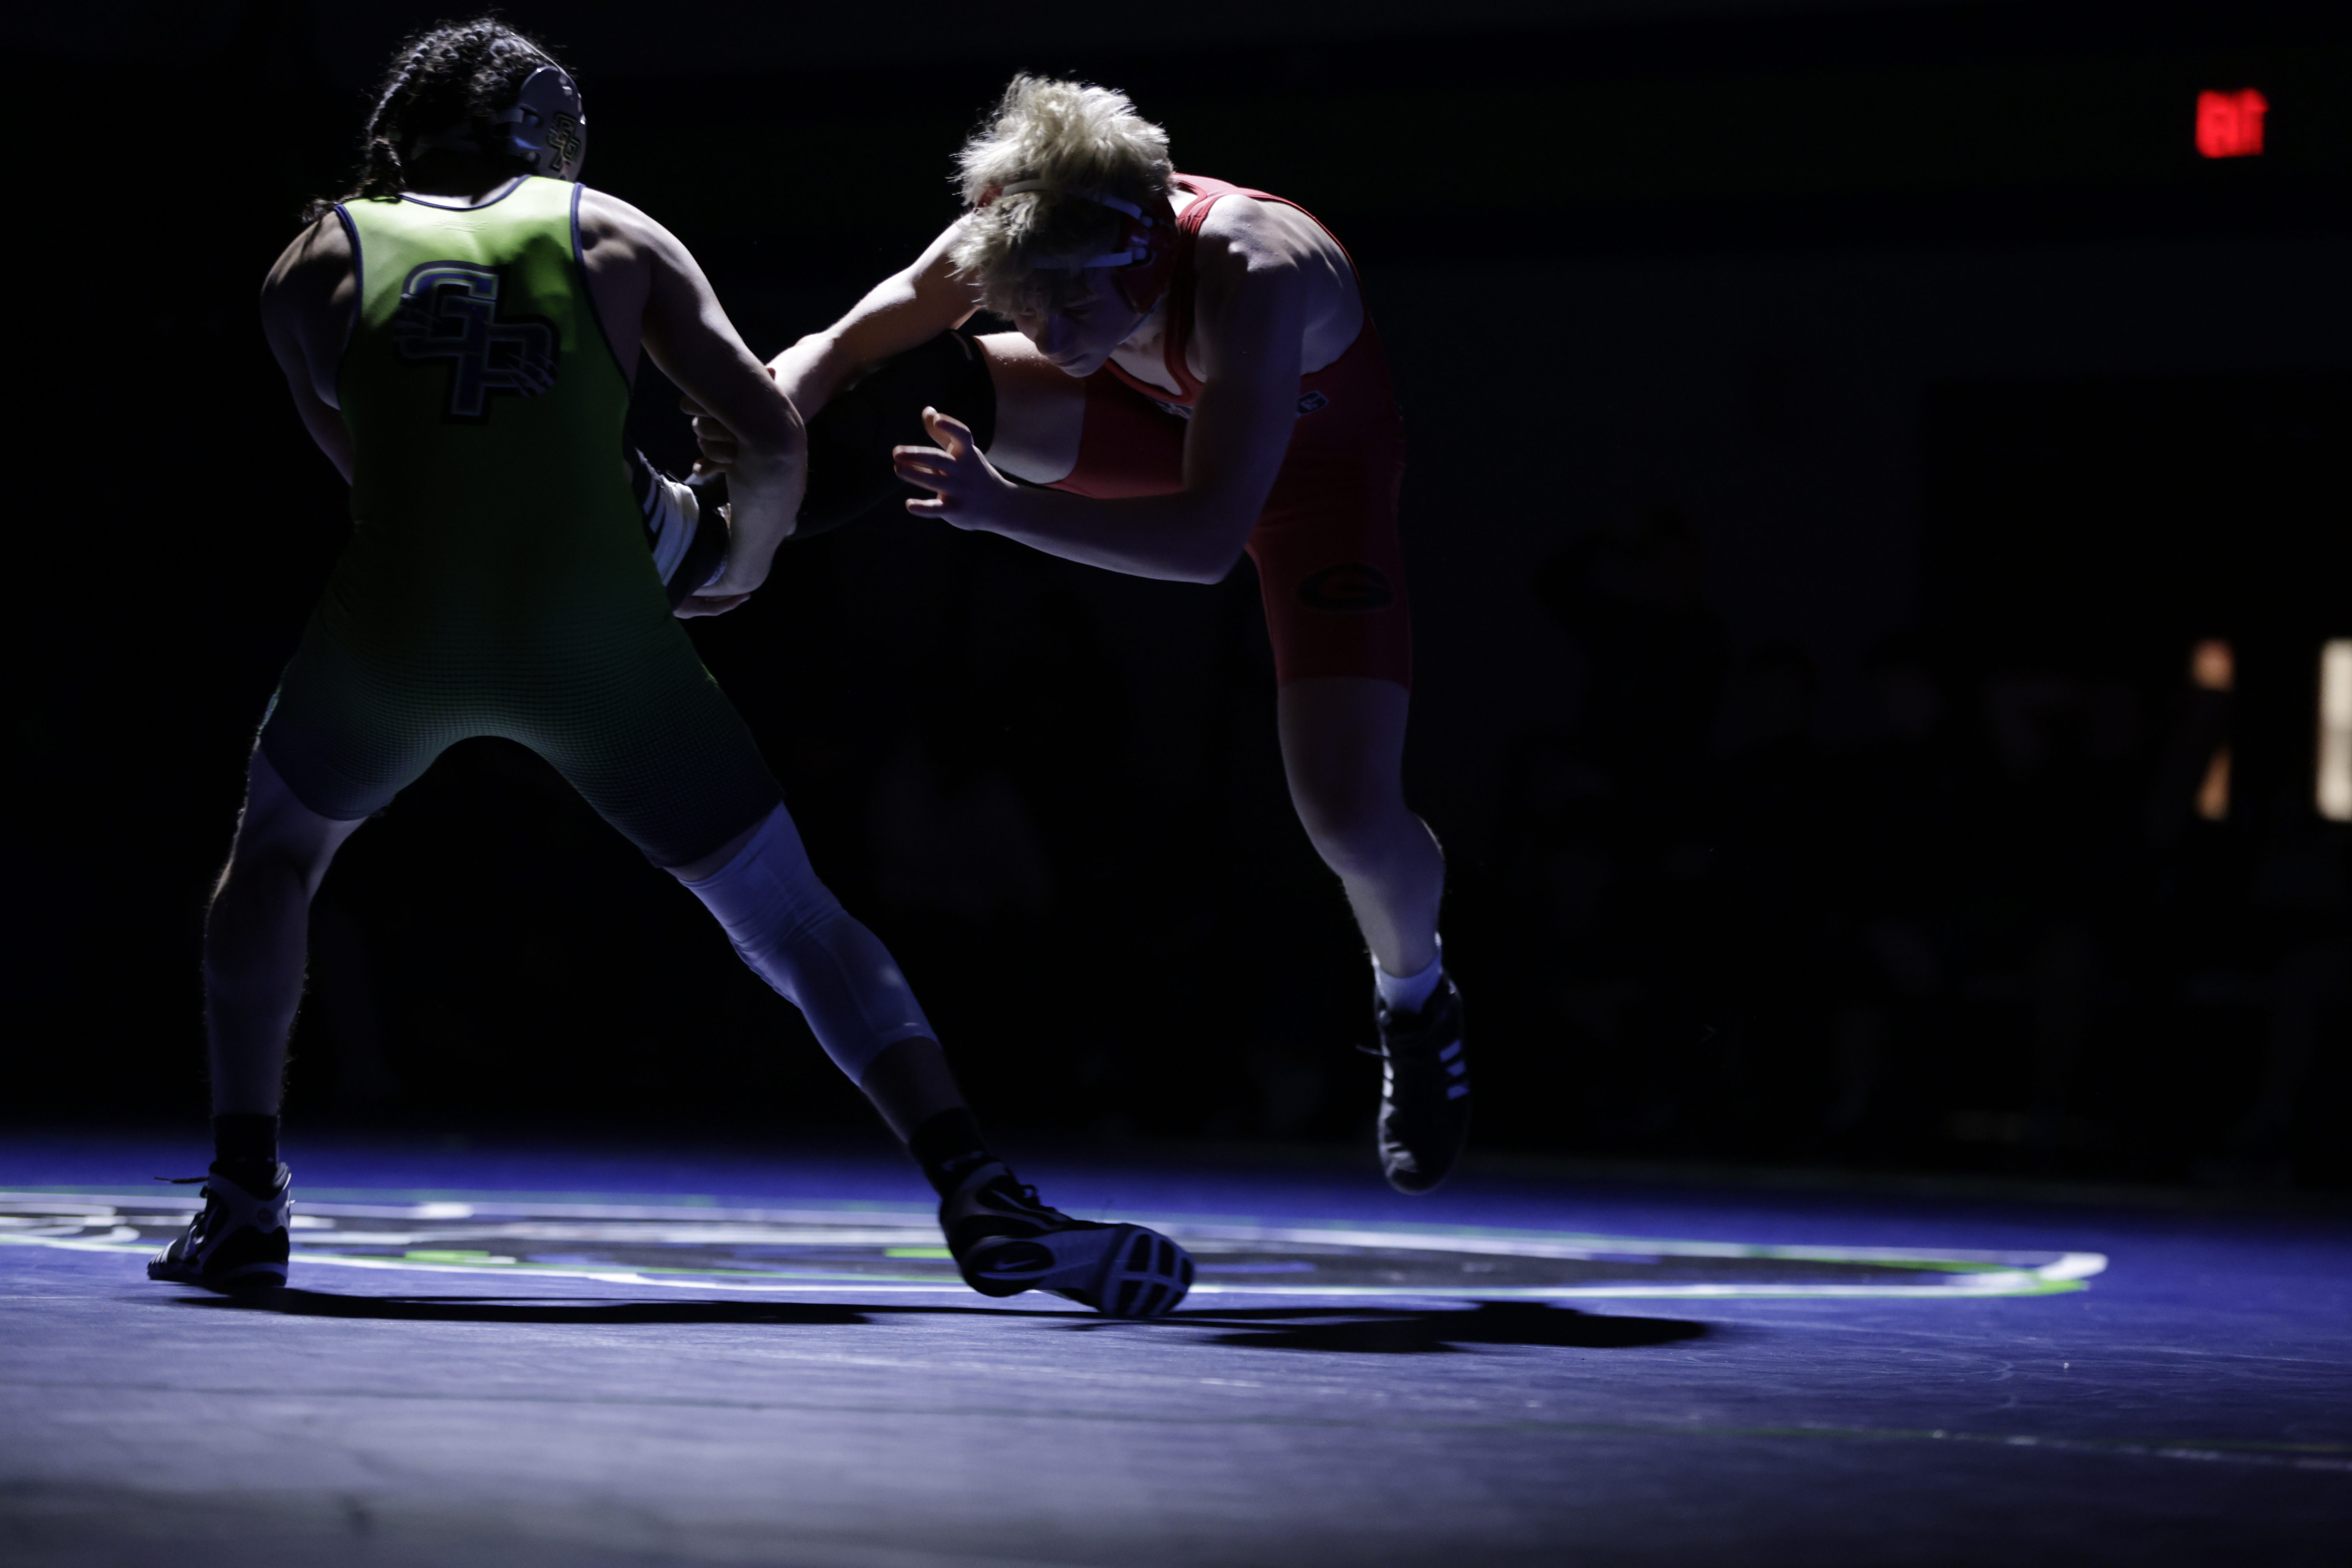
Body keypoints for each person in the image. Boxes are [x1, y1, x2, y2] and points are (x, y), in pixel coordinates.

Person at [149, 22, 1192, 1319]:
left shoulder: (308, 264)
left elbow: (378, 473)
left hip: (404, 621)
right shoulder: (611, 234)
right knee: (797, 921)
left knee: (276, 859)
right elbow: (771, 437)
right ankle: (974, 1181)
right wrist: (733, 562)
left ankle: (244, 1196)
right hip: (602, 626)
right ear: (549, 132)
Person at [694, 76, 1469, 1192]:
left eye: (1067, 313)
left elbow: (1206, 542)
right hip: (1155, 428)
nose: (1046, 339)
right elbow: (844, 344)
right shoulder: (1037, 226)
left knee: (1348, 818)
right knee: (905, 383)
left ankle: (1415, 998)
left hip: (1313, 489)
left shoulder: (1255, 272)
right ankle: (700, 548)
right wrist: (751, 429)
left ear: (1138, 259)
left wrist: (1002, 509)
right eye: (1024, 310)